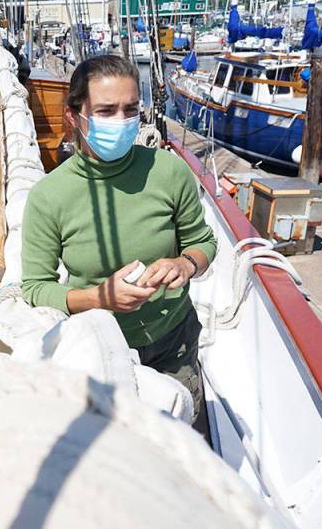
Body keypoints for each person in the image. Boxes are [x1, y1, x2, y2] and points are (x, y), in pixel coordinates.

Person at [21, 54, 216, 422]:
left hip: (175, 342)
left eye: (130, 110)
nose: (121, 121)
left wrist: (185, 263)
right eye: (106, 111)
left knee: (183, 447)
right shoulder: (49, 197)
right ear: (73, 116)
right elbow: (34, 287)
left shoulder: (169, 171)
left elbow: (203, 242)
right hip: (99, 350)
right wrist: (98, 298)